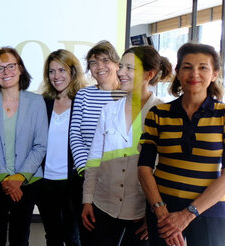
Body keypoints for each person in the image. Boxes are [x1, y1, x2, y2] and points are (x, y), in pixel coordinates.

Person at [82, 46, 171, 246]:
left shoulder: (164, 113)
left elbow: (166, 169)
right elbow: (94, 158)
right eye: (121, 66)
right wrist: (87, 200)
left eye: (129, 68)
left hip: (141, 212)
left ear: (149, 74)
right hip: (103, 205)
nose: (120, 72)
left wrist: (156, 213)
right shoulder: (108, 110)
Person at [139, 43, 225, 246]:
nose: (194, 73)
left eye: (203, 67)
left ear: (214, 74)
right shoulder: (158, 114)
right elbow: (144, 168)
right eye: (187, 67)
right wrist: (161, 212)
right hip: (163, 210)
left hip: (209, 211)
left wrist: (187, 215)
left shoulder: (223, 115)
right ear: (177, 72)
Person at [0, 47, 47, 246]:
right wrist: (5, 179)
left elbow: (40, 145)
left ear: (21, 69)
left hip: (27, 183)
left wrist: (19, 177)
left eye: (11, 66)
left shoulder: (36, 102)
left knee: (20, 237)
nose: (6, 72)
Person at [68, 40, 127, 245]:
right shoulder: (83, 95)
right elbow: (75, 135)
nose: (99, 66)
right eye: (93, 62)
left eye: (105, 60)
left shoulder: (129, 97)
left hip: (120, 181)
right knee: (89, 236)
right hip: (86, 178)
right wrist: (87, 170)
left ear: (117, 64)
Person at [39, 49, 86, 246]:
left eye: (61, 70)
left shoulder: (83, 101)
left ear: (73, 72)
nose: (56, 76)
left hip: (73, 182)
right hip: (45, 181)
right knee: (52, 236)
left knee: (72, 236)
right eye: (51, 71)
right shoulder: (43, 102)